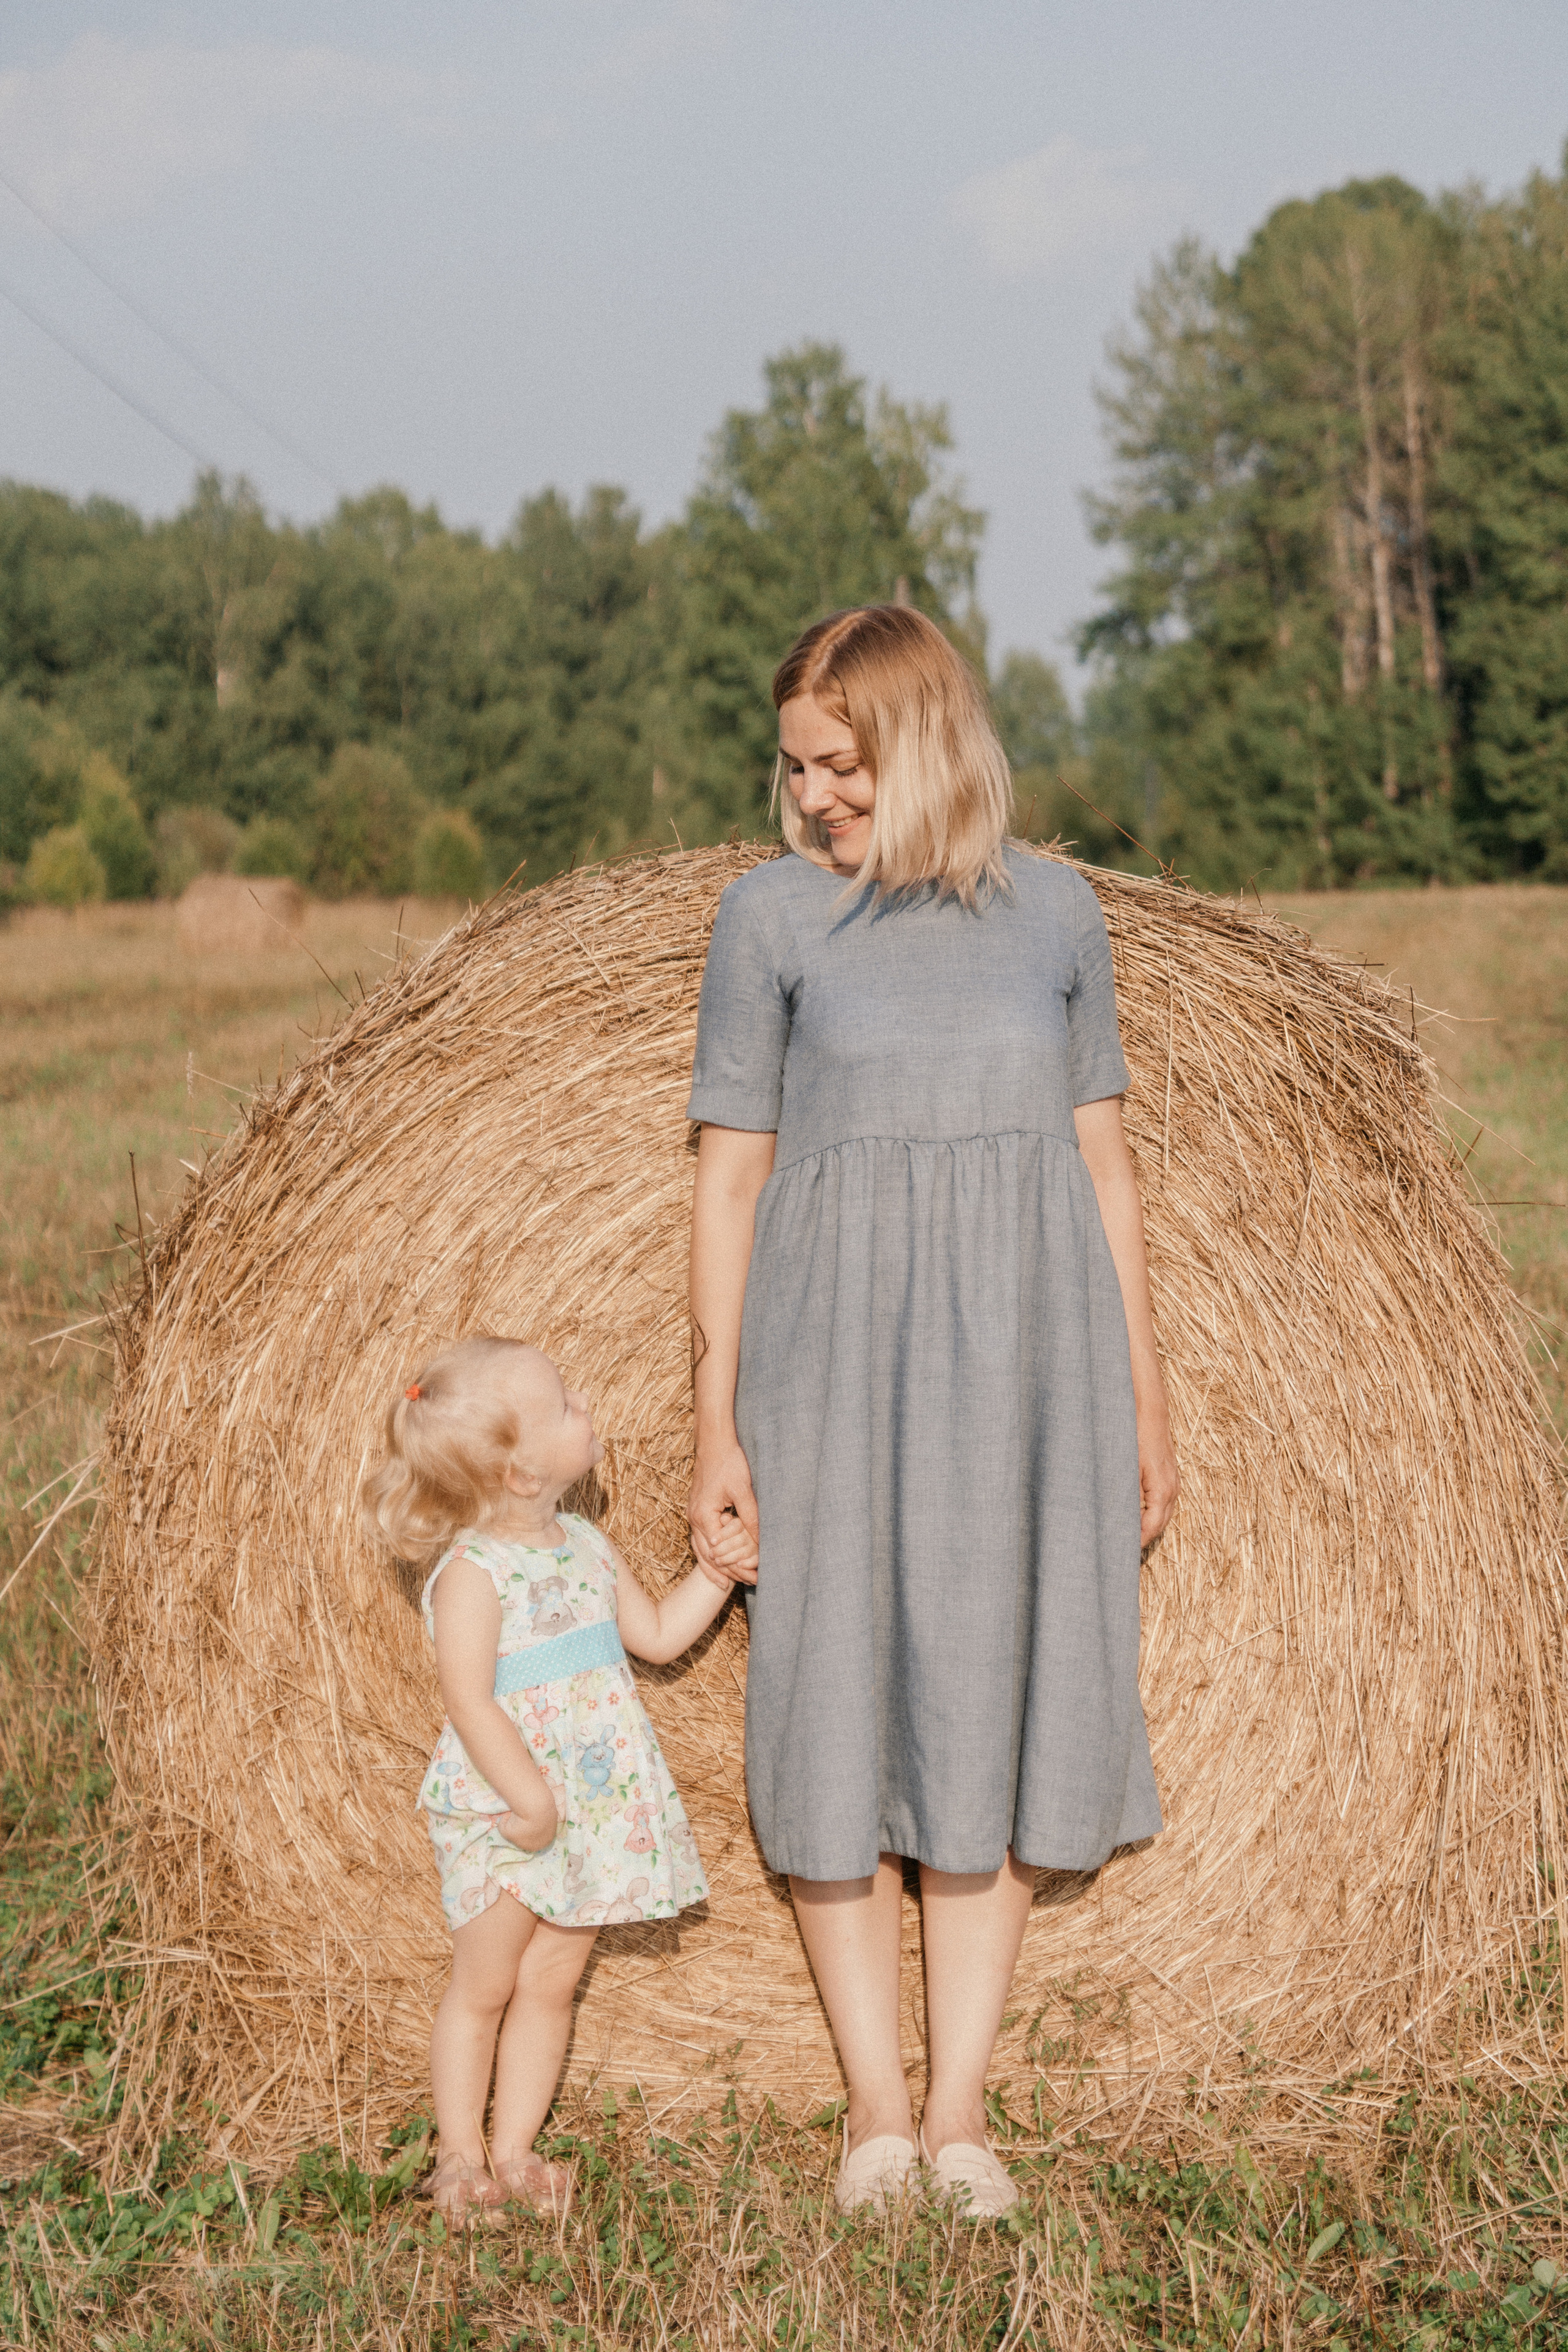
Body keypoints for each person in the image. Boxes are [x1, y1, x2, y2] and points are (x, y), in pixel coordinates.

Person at [685, 605, 1179, 2218]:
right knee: (830, 1701)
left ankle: (965, 2114)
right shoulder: (765, 924)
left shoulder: (1058, 917)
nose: (814, 795)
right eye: (796, 768)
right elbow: (732, 1176)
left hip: (1025, 1365)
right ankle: (876, 2115)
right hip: (821, 1359)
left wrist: (1145, 1399)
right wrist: (715, 1419)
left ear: (924, 742)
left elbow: (1105, 1169)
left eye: (841, 764)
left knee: (981, 1698)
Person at [361, 1336, 752, 2225]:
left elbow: (652, 1637)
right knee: (487, 1983)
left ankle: (516, 2149)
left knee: (551, 1984)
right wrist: (531, 1803)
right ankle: (459, 2156)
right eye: (568, 1405)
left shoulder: (585, 1543)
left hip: (591, 1804)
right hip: (512, 1807)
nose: (589, 1407)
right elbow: (469, 1701)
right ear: (521, 1472)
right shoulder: (472, 1573)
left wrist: (713, 1575)